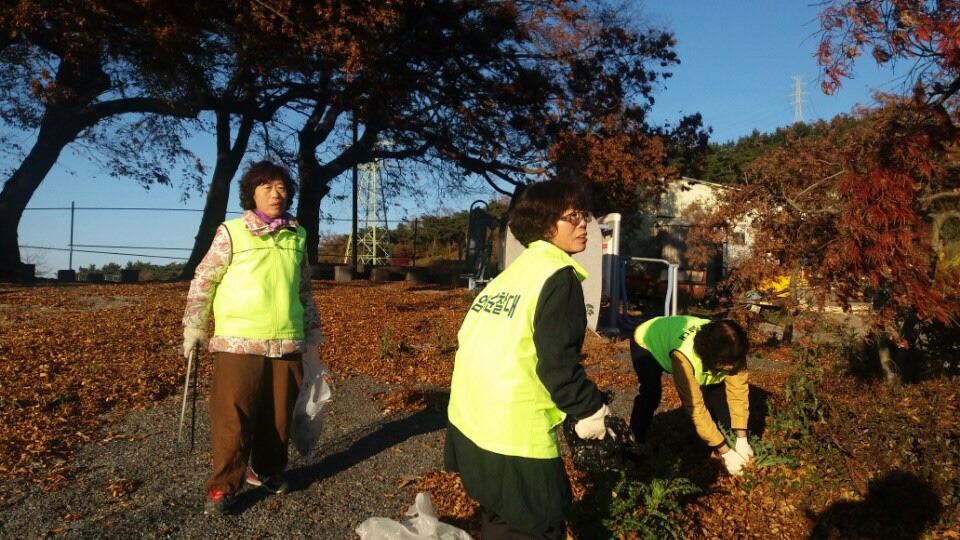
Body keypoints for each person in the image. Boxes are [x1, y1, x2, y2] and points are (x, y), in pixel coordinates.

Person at [444, 179, 609, 539]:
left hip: (471, 420)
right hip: (514, 433)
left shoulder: (509, 276)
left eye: (583, 215)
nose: (584, 224)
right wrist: (590, 409)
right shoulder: (557, 277)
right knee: (537, 524)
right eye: (572, 216)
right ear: (547, 225)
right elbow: (558, 366)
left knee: (499, 518)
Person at [182, 160, 322, 515]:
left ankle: (267, 471)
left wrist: (311, 328)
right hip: (239, 340)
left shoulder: (298, 234)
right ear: (252, 193)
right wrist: (194, 326)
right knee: (234, 415)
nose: (277, 194)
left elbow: (304, 288)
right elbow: (204, 279)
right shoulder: (231, 231)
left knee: (279, 417)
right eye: (267, 187)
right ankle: (223, 485)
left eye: (282, 187)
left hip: (287, 340)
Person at [629, 315, 753, 475]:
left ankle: (722, 442)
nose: (731, 366)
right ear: (711, 358)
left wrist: (742, 438)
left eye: (733, 363)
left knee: (720, 397)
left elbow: (738, 393)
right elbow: (696, 408)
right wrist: (727, 452)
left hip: (689, 345)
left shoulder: (734, 348)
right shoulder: (684, 356)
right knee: (651, 394)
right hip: (648, 342)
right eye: (726, 364)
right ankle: (632, 445)